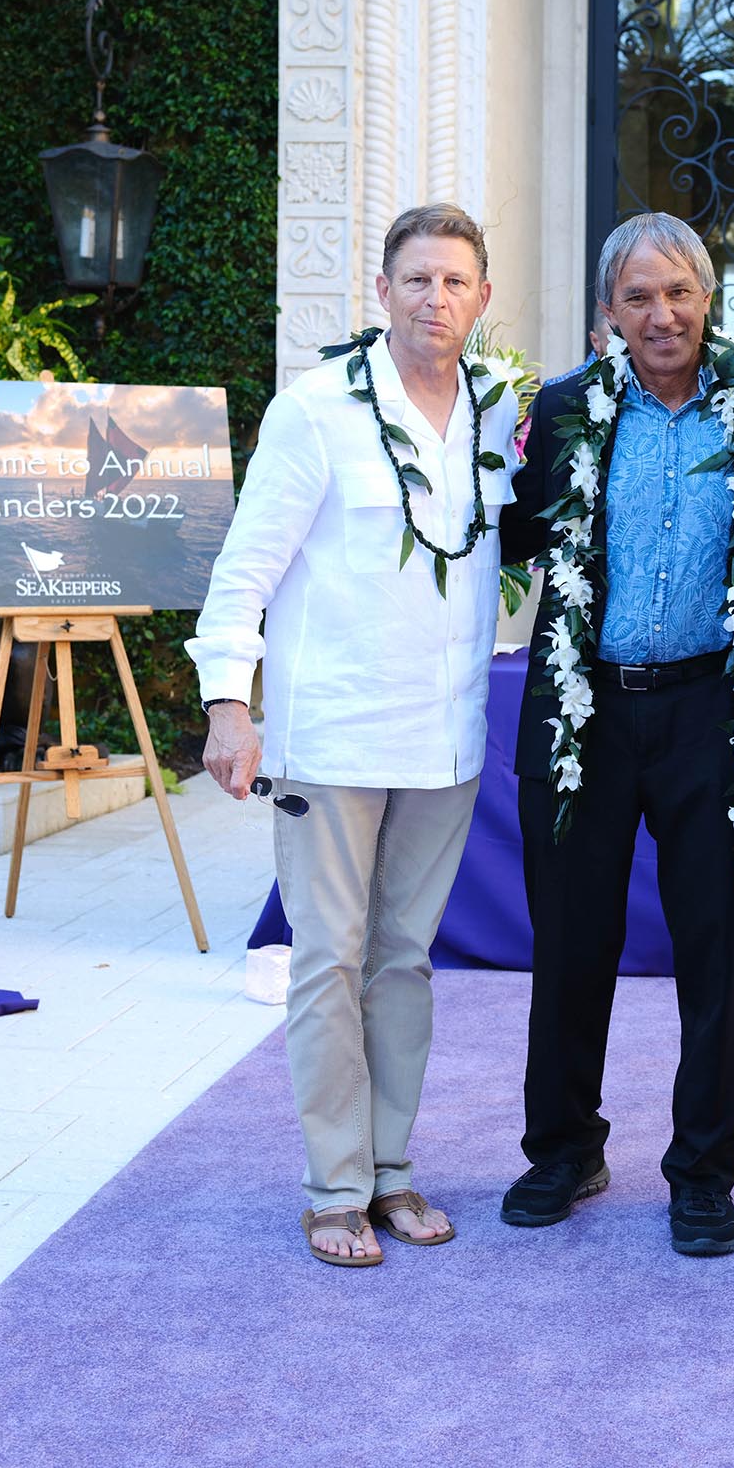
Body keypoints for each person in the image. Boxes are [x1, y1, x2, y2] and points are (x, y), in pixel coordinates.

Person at [190, 203, 520, 1267]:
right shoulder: (318, 408)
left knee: (404, 960)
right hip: (333, 734)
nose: (436, 299)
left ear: (482, 297)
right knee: (327, 958)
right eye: (416, 280)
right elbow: (246, 565)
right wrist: (228, 705)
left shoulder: (496, 410)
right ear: (382, 293)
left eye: (455, 282)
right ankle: (333, 1187)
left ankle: (392, 1172)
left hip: (445, 737)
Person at [498, 212, 734, 1257]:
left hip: (714, 712)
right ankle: (560, 1149)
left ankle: (701, 1172)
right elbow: (500, 536)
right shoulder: (559, 411)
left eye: (677, 292)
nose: (660, 315)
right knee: (572, 942)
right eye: (637, 297)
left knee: (714, 950)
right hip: (583, 708)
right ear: (608, 312)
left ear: (707, 297)